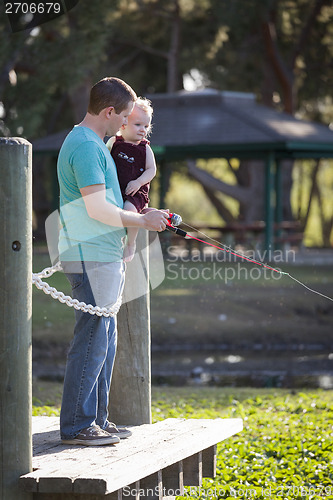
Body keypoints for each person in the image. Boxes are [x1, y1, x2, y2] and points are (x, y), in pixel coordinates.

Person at [57, 77, 169, 446]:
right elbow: (97, 208)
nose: (126, 123)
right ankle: (77, 425)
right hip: (90, 254)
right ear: (109, 112)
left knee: (104, 339)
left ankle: (96, 420)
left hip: (103, 254)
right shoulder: (88, 148)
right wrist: (142, 221)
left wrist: (142, 212)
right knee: (92, 339)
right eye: (123, 116)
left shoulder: (95, 144)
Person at [106, 97, 156, 262]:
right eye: (138, 125)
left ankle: (131, 243)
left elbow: (151, 170)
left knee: (129, 210)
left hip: (135, 191)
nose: (143, 130)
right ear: (123, 123)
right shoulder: (114, 142)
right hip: (116, 187)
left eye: (146, 126)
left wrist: (138, 182)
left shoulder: (145, 148)